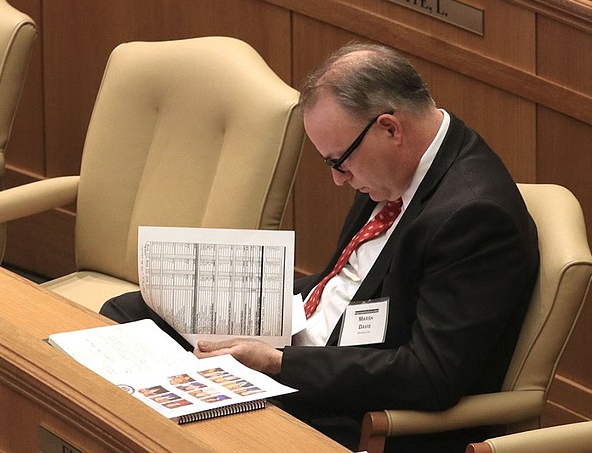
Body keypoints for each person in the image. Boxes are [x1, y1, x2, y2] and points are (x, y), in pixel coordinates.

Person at [100, 42, 539, 452]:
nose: (337, 179)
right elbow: (348, 279)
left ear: (390, 128)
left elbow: (429, 374)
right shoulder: (390, 169)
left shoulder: (475, 217)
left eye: (338, 162)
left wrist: (277, 364)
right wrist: (232, 296)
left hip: (342, 402)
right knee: (128, 314)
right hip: (298, 331)